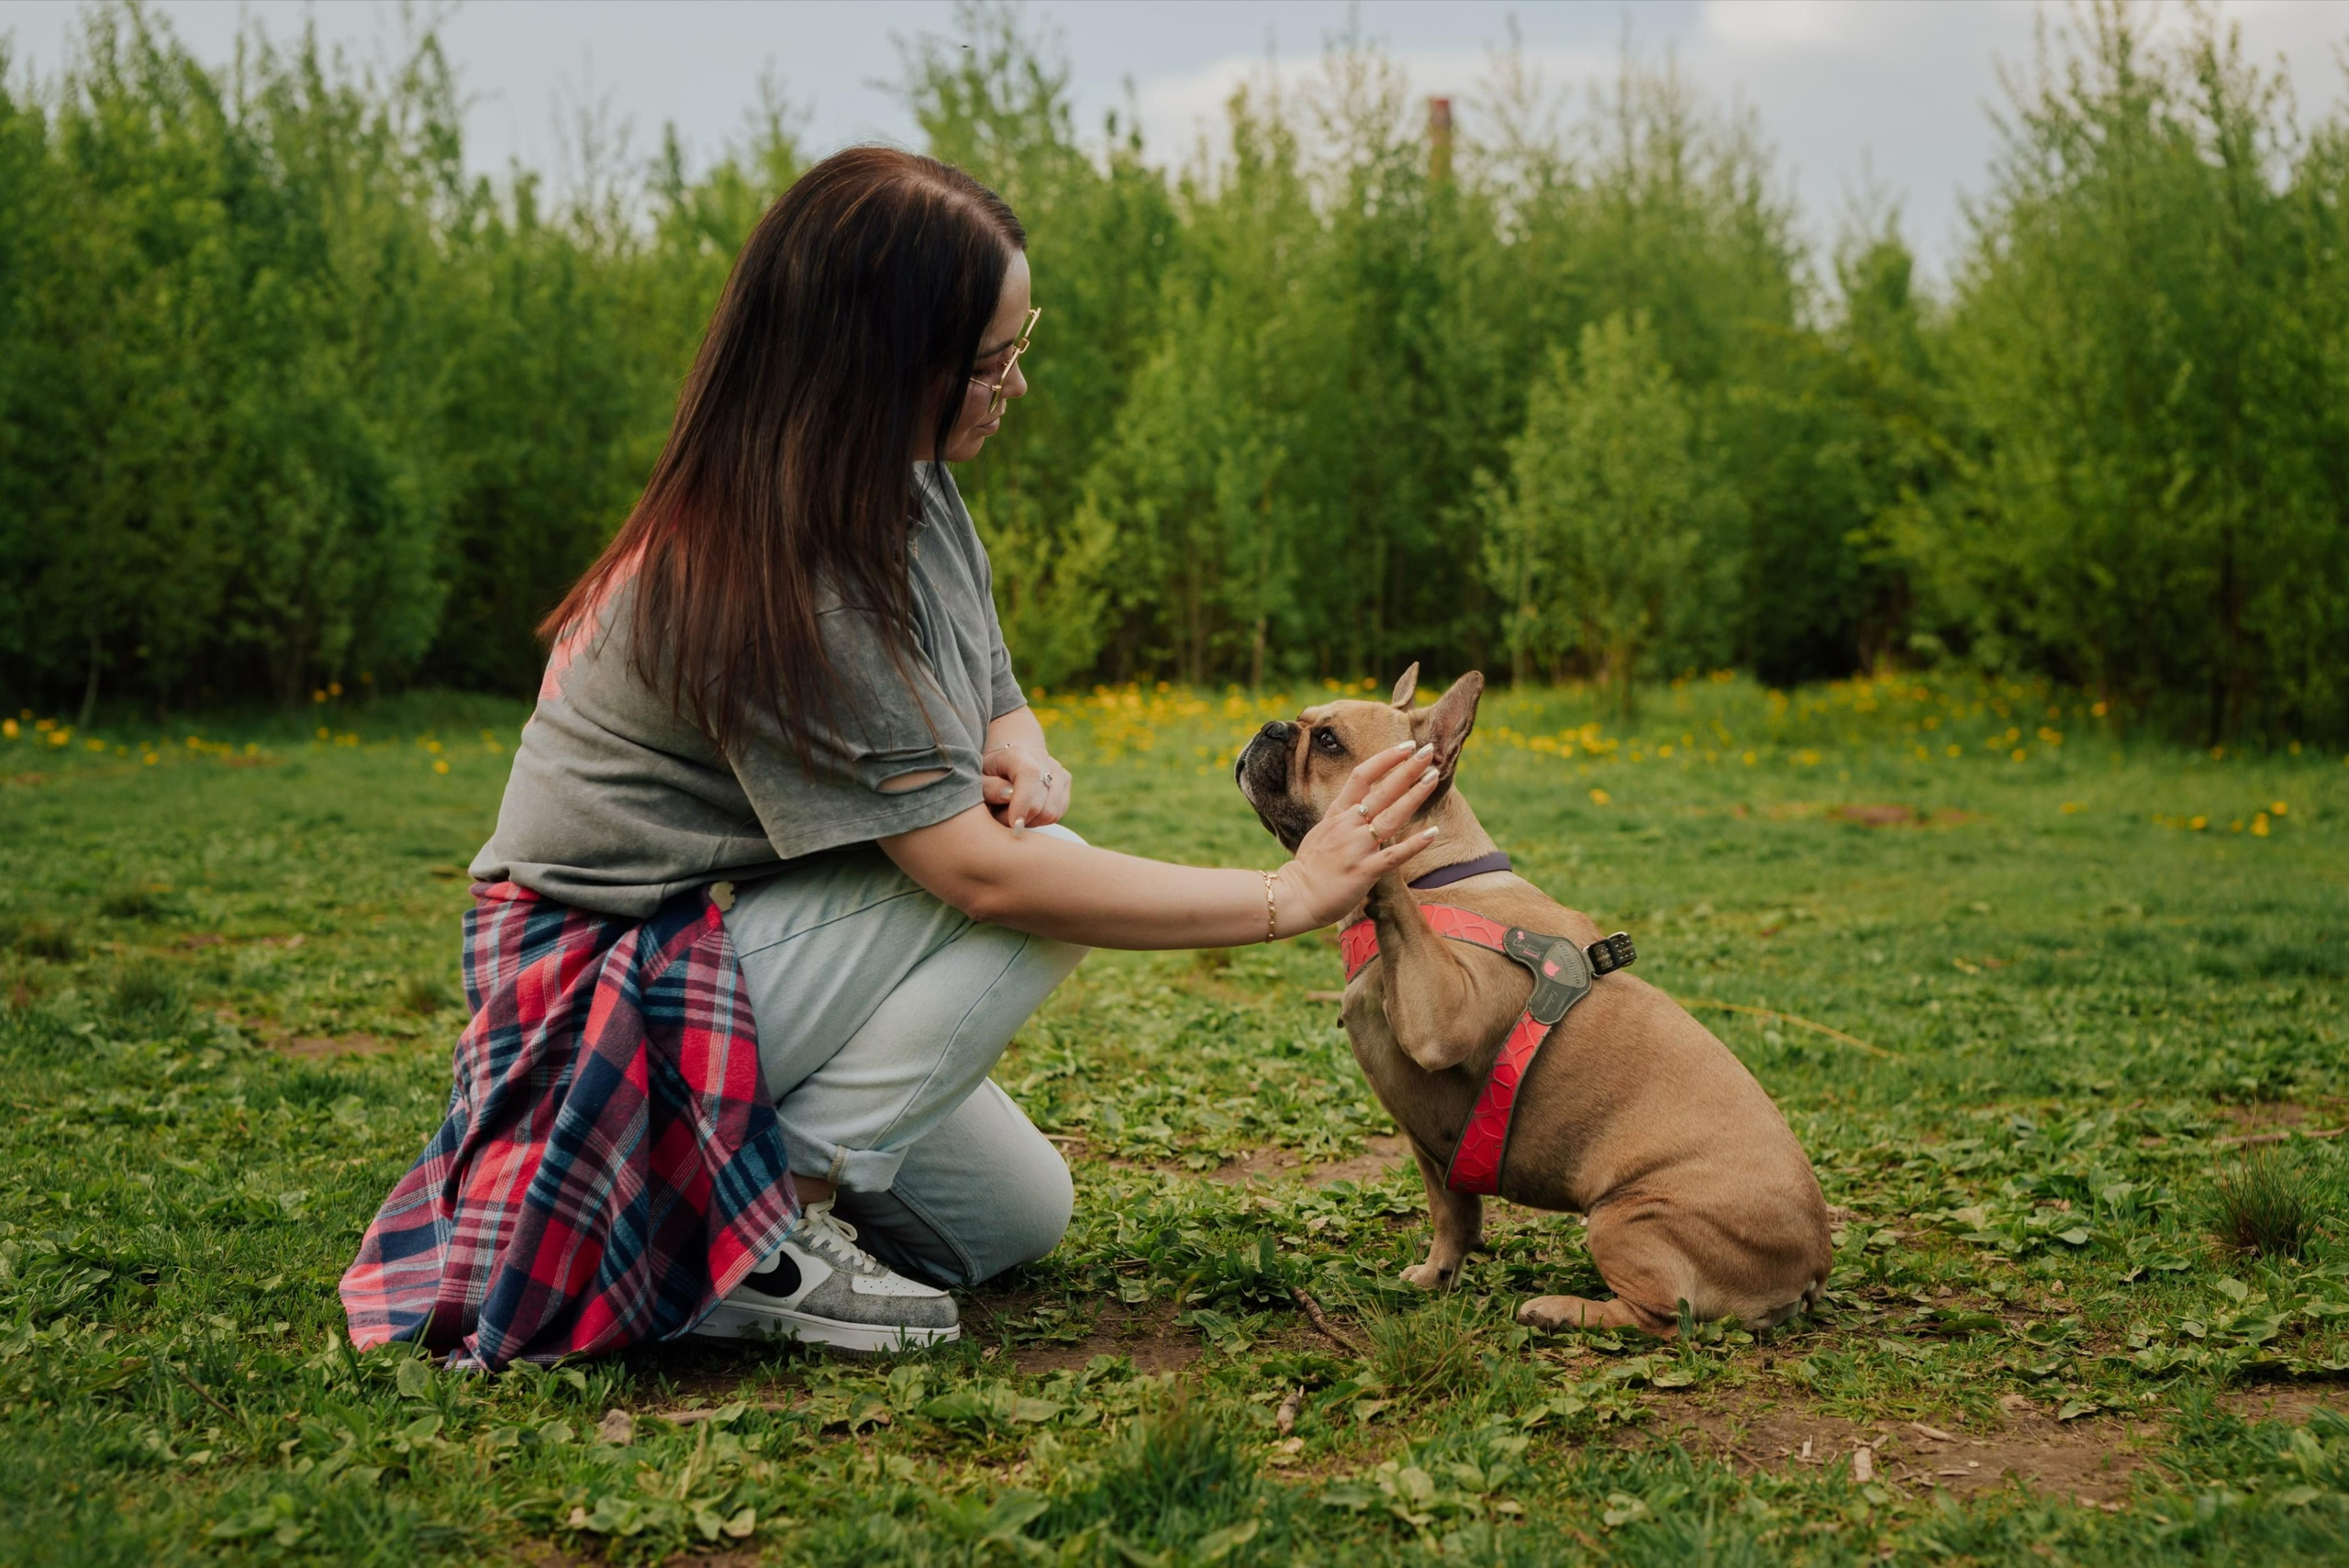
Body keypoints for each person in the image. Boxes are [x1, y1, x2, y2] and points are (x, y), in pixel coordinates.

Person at [342, 147, 1442, 1365]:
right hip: (591, 994)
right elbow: (980, 879)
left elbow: (994, 690)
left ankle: (708, 1217)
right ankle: (773, 1235)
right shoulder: (775, 560)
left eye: (1020, 349)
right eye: (988, 364)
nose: (1014, 387)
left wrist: (1021, 753)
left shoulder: (903, 490)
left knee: (1017, 1217)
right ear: (879, 371)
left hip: (715, 947)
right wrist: (1290, 893)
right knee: (1038, 882)